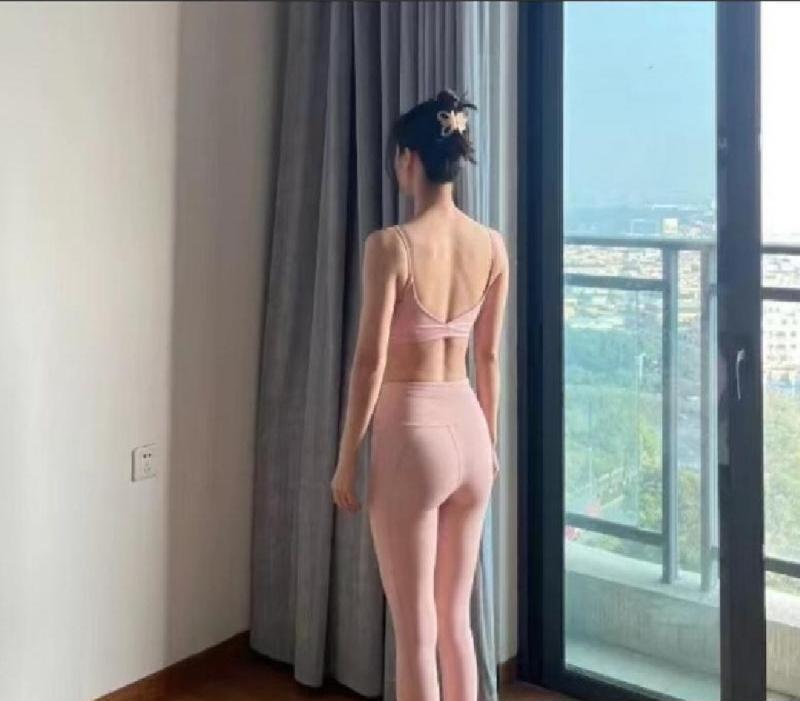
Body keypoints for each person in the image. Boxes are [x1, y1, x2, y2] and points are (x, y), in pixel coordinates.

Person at [330, 88, 509, 701]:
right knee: (456, 622)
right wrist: (490, 445)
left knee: (414, 633)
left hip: (412, 436)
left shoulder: (390, 246)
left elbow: (370, 362)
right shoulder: (493, 245)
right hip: (470, 431)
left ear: (407, 159)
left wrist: (347, 457)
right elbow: (488, 357)